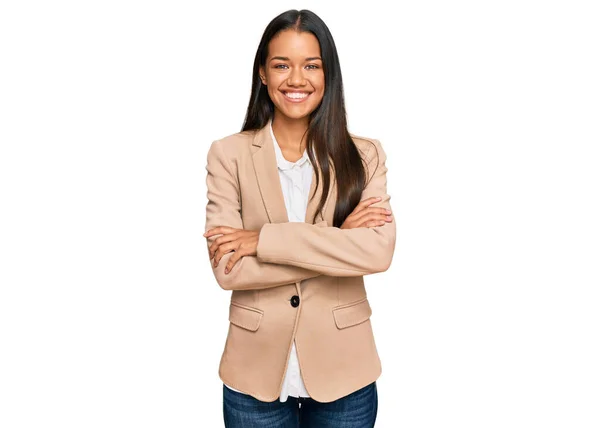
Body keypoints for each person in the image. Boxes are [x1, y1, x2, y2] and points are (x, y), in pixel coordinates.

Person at [203, 9, 396, 428]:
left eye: (311, 65)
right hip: (253, 377)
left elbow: (378, 253)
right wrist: (338, 243)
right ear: (262, 74)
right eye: (281, 65)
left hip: (345, 372)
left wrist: (261, 241)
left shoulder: (365, 156)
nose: (296, 79)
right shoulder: (228, 155)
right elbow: (227, 268)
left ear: (329, 75)